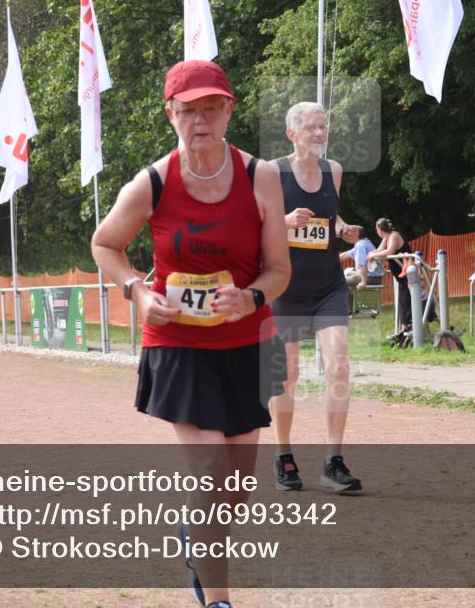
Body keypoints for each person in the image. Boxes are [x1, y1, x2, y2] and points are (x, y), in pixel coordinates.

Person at [91, 59, 289, 608]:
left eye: (211, 108)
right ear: (170, 114)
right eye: (188, 110)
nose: (200, 120)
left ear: (229, 111)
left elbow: (279, 270)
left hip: (245, 344)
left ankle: (194, 540)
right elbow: (104, 243)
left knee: (237, 491)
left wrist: (249, 297)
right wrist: (137, 290)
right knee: (209, 471)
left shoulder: (261, 176)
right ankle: (219, 601)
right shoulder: (153, 182)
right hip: (178, 346)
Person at [269, 101, 363, 494]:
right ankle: (284, 456)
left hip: (327, 286)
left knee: (338, 367)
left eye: (323, 127)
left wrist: (342, 229)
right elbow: (255, 222)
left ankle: (333, 461)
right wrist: (283, 222)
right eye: (311, 128)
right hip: (286, 288)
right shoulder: (272, 173)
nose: (320, 134)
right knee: (287, 375)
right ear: (293, 134)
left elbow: (330, 215)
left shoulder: (334, 171)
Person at [368, 217, 413, 331]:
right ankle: (405, 327)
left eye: (376, 229)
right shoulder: (386, 238)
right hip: (401, 275)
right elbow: (379, 250)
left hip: (408, 273)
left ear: (380, 229)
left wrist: (373, 255)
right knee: (403, 299)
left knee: (405, 299)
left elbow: (390, 251)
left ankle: (405, 328)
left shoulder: (394, 236)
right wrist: (372, 253)